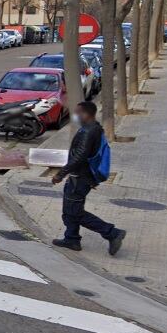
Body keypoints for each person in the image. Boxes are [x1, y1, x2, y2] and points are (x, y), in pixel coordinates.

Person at [51, 101, 126, 255]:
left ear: (86, 114)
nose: (76, 115)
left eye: (78, 112)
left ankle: (112, 232)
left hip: (79, 178)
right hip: (82, 177)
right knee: (69, 210)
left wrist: (60, 174)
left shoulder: (88, 131)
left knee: (75, 212)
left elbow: (79, 156)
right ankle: (71, 239)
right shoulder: (95, 128)